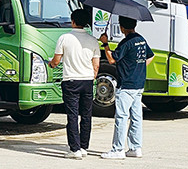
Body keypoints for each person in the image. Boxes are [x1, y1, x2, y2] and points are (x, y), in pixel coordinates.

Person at [99, 16, 153, 160]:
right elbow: (150, 56)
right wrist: (139, 68)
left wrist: (105, 44)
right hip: (138, 83)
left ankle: (118, 149)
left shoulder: (126, 42)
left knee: (121, 117)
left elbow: (111, 59)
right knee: (136, 117)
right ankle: (135, 147)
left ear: (122, 28)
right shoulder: (141, 39)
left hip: (126, 85)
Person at [50, 8, 101, 159]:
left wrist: (51, 65)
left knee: (72, 115)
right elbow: (96, 65)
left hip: (71, 81)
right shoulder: (93, 40)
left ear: (72, 21)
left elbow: (56, 60)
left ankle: (75, 149)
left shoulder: (64, 38)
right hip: (87, 80)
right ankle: (84, 147)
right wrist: (92, 77)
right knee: (86, 115)